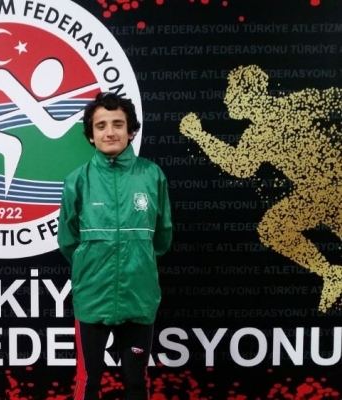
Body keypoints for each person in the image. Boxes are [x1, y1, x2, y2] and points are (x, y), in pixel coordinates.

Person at [179, 64, 342, 312]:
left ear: (248, 93)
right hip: (316, 193)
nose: (226, 99)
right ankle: (331, 274)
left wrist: (199, 135)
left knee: (274, 227)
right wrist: (200, 136)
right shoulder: (260, 130)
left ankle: (331, 274)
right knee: (274, 228)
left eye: (231, 92)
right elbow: (240, 166)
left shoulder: (285, 110)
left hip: (331, 186)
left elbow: (333, 98)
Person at [57, 92, 172, 400]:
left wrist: (139, 264)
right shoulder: (77, 181)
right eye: (101, 126)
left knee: (136, 382)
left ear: (131, 131)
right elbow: (68, 240)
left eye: (118, 124)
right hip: (92, 297)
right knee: (88, 381)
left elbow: (162, 237)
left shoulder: (152, 175)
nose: (110, 132)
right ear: (90, 136)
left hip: (139, 296)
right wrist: (90, 266)